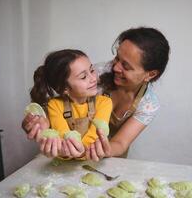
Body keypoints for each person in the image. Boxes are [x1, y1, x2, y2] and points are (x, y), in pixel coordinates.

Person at [22, 27, 170, 161]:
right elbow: (59, 104)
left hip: (108, 158)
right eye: (117, 58)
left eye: (126, 66)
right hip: (67, 156)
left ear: (150, 74)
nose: (116, 67)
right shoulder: (96, 74)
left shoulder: (148, 104)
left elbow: (121, 143)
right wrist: (38, 122)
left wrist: (97, 150)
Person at [26, 49, 112, 159]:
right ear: (64, 88)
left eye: (92, 70)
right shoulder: (55, 105)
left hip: (93, 159)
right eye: (83, 77)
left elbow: (95, 136)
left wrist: (81, 152)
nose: (93, 78)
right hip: (64, 163)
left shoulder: (104, 102)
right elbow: (63, 137)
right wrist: (65, 150)